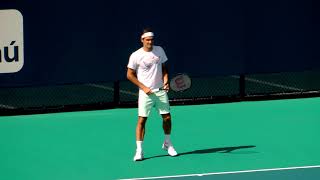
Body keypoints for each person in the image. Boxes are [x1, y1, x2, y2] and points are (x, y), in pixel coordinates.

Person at [127, 28, 178, 161]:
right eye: (147, 40)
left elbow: (163, 68)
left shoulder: (159, 50)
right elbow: (129, 75)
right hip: (145, 93)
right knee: (142, 120)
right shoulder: (135, 55)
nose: (150, 42)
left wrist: (166, 80)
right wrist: (144, 88)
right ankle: (139, 151)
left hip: (160, 91)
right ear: (142, 40)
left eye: (152, 39)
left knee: (167, 118)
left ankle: (167, 143)